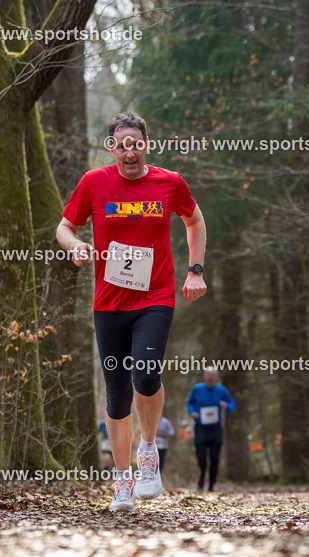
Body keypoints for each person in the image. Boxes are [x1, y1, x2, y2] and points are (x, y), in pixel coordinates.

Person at [56, 112, 208, 512]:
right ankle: (122, 482)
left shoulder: (169, 182)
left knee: (146, 372)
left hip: (155, 297)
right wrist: (75, 246)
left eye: (136, 143)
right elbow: (65, 226)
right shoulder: (94, 183)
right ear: (112, 148)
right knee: (117, 396)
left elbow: (194, 220)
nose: (129, 151)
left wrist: (195, 270)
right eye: (121, 145)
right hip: (108, 303)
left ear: (146, 144)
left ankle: (148, 451)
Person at [186, 367, 236, 492]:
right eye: (208, 375)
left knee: (214, 458)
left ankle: (212, 484)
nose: (210, 377)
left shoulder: (221, 390)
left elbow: (233, 405)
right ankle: (202, 474)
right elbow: (189, 402)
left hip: (215, 428)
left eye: (213, 375)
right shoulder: (197, 389)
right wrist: (192, 412)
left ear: (216, 377)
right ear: (204, 376)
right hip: (201, 427)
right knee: (201, 455)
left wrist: (226, 405)